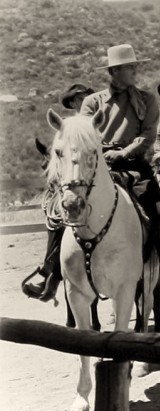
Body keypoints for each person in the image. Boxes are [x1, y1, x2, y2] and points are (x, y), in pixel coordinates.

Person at [78, 44, 160, 296]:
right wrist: (102, 152)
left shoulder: (147, 100)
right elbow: (84, 135)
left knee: (159, 212)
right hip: (99, 165)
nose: (134, 71)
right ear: (115, 71)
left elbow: (148, 136)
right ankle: (52, 269)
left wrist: (123, 152)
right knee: (70, 205)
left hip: (134, 165)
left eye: (134, 66)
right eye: (129, 67)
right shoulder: (91, 102)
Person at [21, 83, 94, 301]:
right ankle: (49, 272)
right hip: (74, 179)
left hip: (98, 172)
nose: (84, 102)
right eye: (79, 99)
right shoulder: (67, 127)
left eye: (87, 98)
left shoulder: (99, 119)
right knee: (56, 218)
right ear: (72, 104)